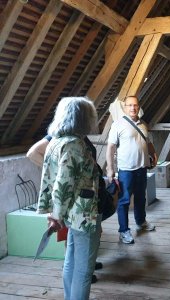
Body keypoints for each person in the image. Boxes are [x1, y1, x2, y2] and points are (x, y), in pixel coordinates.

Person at [36, 96, 100, 300]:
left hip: (72, 213)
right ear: (82, 118)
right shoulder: (74, 145)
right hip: (83, 213)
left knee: (71, 261)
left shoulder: (56, 141)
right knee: (83, 270)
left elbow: (49, 179)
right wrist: (56, 214)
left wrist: (54, 212)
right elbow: (63, 184)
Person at [27, 135, 105, 283]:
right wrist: (59, 172)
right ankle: (80, 271)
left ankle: (87, 264)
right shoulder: (58, 134)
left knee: (78, 241)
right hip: (74, 200)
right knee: (73, 240)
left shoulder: (78, 133)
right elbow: (33, 153)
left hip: (87, 198)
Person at [106, 95, 157, 244]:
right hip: (126, 170)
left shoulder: (143, 124)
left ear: (139, 107)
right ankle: (123, 231)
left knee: (141, 198)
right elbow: (110, 147)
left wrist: (154, 155)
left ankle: (141, 222)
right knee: (124, 200)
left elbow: (147, 142)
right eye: (129, 105)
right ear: (125, 107)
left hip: (142, 168)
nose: (133, 108)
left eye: (135, 105)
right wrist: (110, 169)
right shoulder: (118, 124)